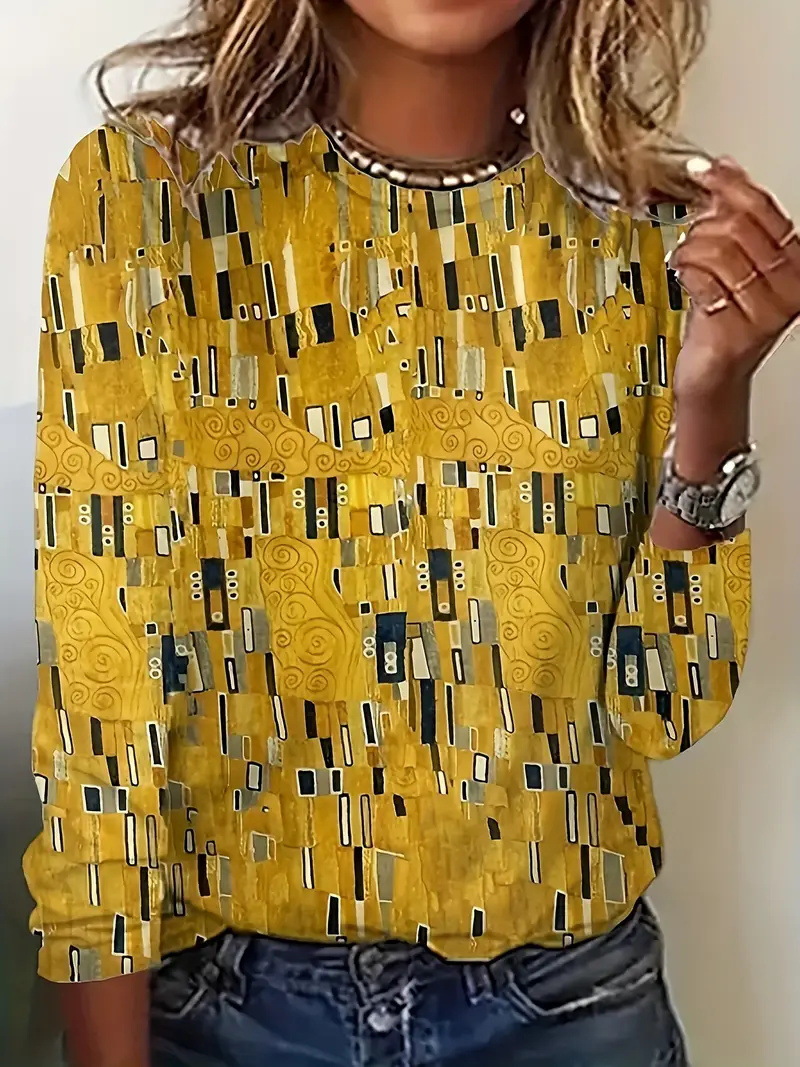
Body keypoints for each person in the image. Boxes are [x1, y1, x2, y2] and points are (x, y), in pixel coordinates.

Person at [23, 1, 799, 1064]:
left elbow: (663, 705)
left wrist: (712, 399)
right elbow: (101, 710)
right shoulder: (147, 196)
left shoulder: (656, 232)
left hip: (568, 1004)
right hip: (230, 1010)